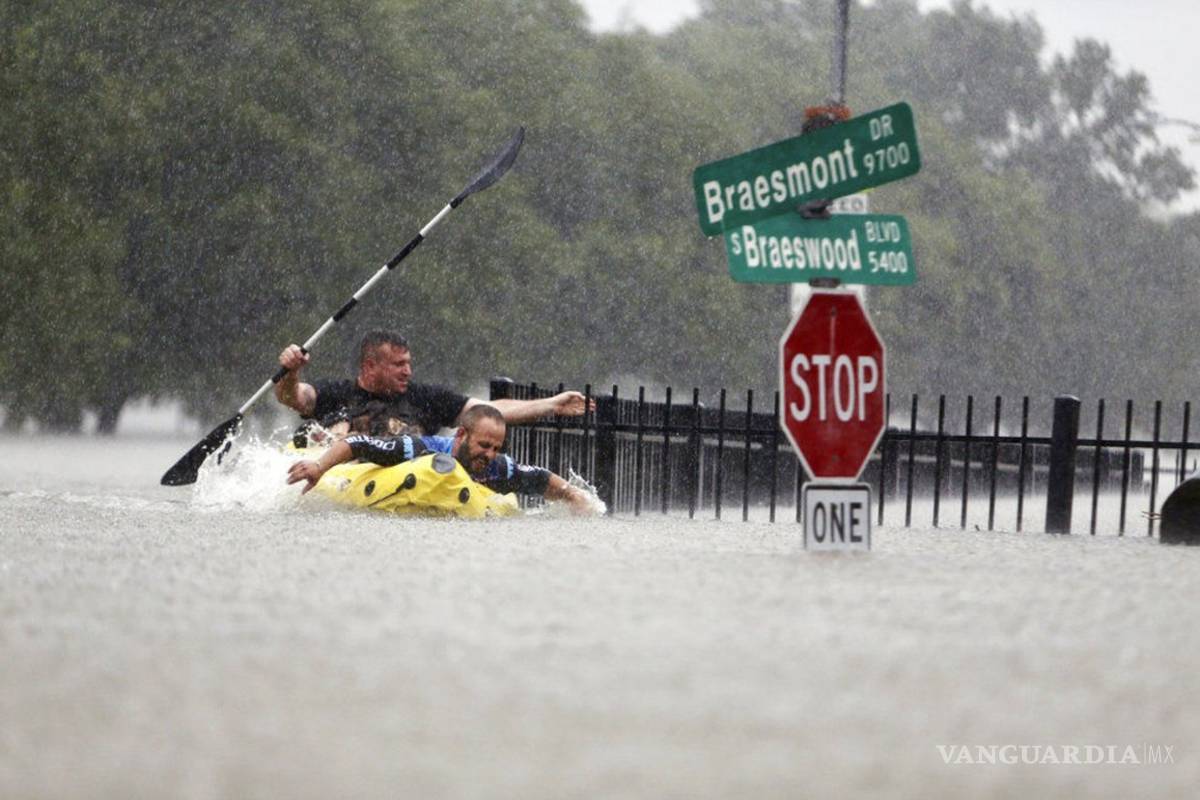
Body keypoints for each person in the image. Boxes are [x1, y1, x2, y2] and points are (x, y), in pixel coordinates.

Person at [286, 404, 597, 515]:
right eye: (483, 445)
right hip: (371, 476)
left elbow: (539, 478)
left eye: (496, 447)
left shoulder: (495, 467)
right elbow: (358, 443)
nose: (489, 454)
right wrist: (319, 467)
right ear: (461, 436)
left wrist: (574, 496)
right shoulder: (419, 448)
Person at [275, 330, 592, 437]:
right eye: (399, 365)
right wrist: (290, 371)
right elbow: (294, 398)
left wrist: (551, 404)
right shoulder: (336, 393)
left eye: (409, 363)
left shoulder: (426, 398)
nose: (408, 371)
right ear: (370, 366)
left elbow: (488, 410)